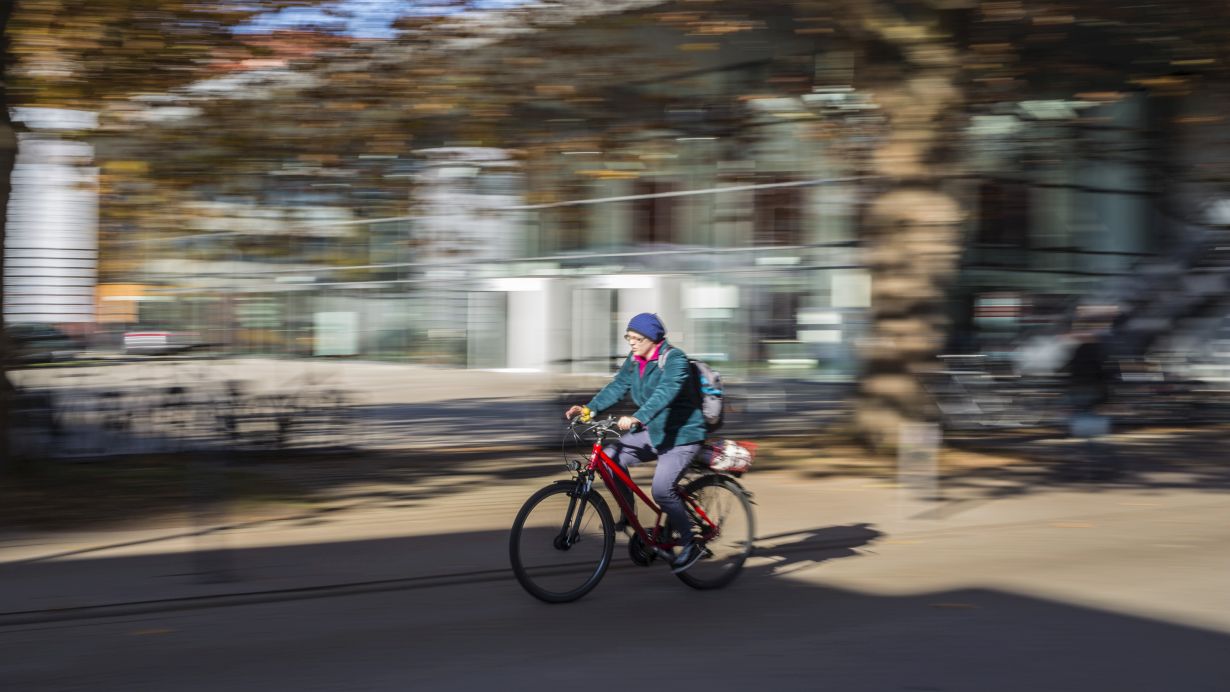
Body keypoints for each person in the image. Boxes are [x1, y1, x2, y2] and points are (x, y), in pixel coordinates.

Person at [565, 313, 707, 573]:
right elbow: (618, 385)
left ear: (652, 338)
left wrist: (637, 417)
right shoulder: (635, 360)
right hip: (655, 431)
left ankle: (690, 544)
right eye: (628, 337)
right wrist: (590, 409)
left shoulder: (674, 360)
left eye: (636, 338)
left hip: (682, 436)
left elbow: (666, 392)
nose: (631, 342)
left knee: (662, 490)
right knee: (610, 460)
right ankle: (628, 513)